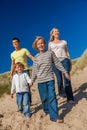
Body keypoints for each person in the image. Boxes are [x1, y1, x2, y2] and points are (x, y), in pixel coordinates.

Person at [30, 36, 71, 123]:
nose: (40, 45)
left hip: (50, 80)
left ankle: (54, 117)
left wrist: (65, 72)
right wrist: (32, 81)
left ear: (44, 44)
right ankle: (47, 110)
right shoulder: (36, 57)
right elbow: (34, 71)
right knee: (44, 99)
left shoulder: (50, 53)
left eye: (42, 43)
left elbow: (58, 63)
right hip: (41, 81)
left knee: (52, 97)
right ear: (36, 46)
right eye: (38, 44)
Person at [48, 27, 74, 103]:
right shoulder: (50, 43)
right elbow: (49, 54)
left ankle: (70, 98)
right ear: (52, 34)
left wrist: (70, 62)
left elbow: (67, 52)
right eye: (55, 31)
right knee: (59, 80)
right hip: (55, 63)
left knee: (67, 79)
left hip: (65, 60)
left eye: (57, 31)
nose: (57, 32)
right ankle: (62, 93)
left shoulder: (64, 42)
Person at [10, 37, 35, 103]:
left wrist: (37, 61)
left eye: (16, 42)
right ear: (12, 44)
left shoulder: (24, 50)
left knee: (27, 87)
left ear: (18, 42)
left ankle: (28, 102)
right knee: (19, 87)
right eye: (13, 43)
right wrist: (11, 74)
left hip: (25, 70)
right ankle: (23, 102)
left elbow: (30, 56)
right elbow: (13, 64)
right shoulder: (12, 54)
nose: (15, 43)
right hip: (17, 72)